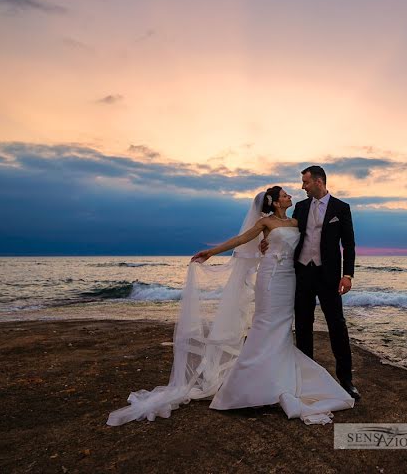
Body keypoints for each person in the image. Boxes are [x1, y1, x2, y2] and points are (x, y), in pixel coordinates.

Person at [106, 186, 354, 426]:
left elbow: (315, 239)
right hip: (270, 279)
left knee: (281, 330)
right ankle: (247, 388)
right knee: (263, 327)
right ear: (276, 202)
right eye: (285, 194)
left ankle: (276, 382)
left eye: (293, 191)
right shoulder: (265, 223)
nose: (292, 194)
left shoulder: (296, 221)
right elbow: (241, 239)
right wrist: (212, 252)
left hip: (290, 280)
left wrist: (343, 272)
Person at [262, 166, 359, 400]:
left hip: (329, 276)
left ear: (318, 182)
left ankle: (346, 381)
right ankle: (306, 377)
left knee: (337, 325)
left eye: (305, 182)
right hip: (303, 272)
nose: (302, 187)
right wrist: (266, 243)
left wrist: (348, 275)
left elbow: (349, 244)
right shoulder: (301, 207)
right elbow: (284, 230)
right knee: (303, 326)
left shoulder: (341, 208)